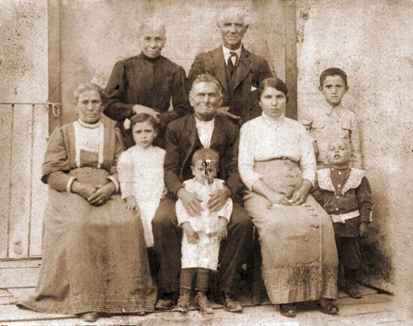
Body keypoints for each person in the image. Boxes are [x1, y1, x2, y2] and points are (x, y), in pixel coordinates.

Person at [17, 83, 157, 323]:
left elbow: (120, 164)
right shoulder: (63, 133)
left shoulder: (112, 132)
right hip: (71, 190)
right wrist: (78, 186)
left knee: (128, 221)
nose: (91, 107)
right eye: (85, 102)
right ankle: (85, 302)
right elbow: (51, 171)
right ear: (76, 106)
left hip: (106, 188)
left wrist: (111, 185)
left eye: (95, 102)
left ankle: (129, 299)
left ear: (102, 106)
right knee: (80, 225)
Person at [238, 77, 339, 318]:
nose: (274, 103)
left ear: (286, 99)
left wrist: (305, 188)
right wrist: (270, 194)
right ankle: (287, 295)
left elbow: (309, 164)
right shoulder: (250, 128)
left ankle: (324, 293)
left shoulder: (297, 128)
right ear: (260, 101)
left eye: (279, 97)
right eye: (268, 97)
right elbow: (245, 168)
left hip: (296, 186)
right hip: (261, 189)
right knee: (278, 224)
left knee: (322, 223)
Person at [152, 74, 253, 313]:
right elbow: (169, 168)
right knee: (162, 220)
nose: (206, 100)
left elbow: (238, 165)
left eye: (211, 95)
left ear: (220, 98)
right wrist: (181, 193)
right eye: (200, 94)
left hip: (218, 193)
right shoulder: (176, 127)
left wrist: (227, 190)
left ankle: (225, 290)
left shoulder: (230, 128)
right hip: (185, 192)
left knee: (242, 222)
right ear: (190, 98)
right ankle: (171, 290)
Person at [104, 20, 190, 148]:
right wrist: (134, 108)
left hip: (160, 134)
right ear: (140, 40)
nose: (153, 45)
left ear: (164, 41)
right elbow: (108, 104)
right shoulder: (124, 66)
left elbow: (184, 110)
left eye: (158, 39)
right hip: (128, 134)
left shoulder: (175, 70)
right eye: (148, 39)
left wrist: (158, 119)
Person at [188, 8, 273, 125]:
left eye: (238, 25)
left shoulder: (259, 63)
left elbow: (270, 98)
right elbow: (190, 98)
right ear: (219, 27)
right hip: (212, 127)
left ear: (246, 29)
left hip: (248, 129)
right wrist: (215, 110)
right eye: (227, 25)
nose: (233, 30)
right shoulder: (203, 61)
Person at [312, 138, 373, 299]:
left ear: (351, 155)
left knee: (351, 254)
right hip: (328, 224)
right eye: (332, 149)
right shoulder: (321, 176)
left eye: (342, 148)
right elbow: (317, 200)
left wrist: (364, 223)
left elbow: (365, 201)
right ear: (327, 156)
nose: (337, 151)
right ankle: (331, 284)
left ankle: (351, 283)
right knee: (329, 254)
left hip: (350, 224)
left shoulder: (358, 177)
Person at [174, 148, 233, 314]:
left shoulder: (220, 186)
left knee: (207, 261)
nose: (205, 174)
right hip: (192, 231)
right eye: (201, 170)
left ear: (217, 170)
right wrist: (186, 225)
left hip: (211, 231)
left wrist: (222, 223)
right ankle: (184, 295)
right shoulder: (188, 186)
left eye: (210, 170)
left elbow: (227, 205)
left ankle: (201, 295)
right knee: (189, 259)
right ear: (193, 170)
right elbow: (181, 206)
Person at [117, 113, 166, 248]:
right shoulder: (128, 155)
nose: (143, 136)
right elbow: (125, 179)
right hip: (138, 197)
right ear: (132, 134)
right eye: (138, 132)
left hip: (156, 195)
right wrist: (129, 197)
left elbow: (165, 174)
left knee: (157, 220)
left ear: (155, 133)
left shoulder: (161, 154)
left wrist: (166, 187)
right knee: (141, 220)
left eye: (148, 131)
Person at [300, 68, 363, 169]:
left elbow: (356, 152)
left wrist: (356, 175)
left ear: (346, 89)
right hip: (318, 168)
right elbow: (299, 140)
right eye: (329, 87)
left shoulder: (350, 116)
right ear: (321, 89)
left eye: (338, 86)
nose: (334, 91)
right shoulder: (311, 114)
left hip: (343, 170)